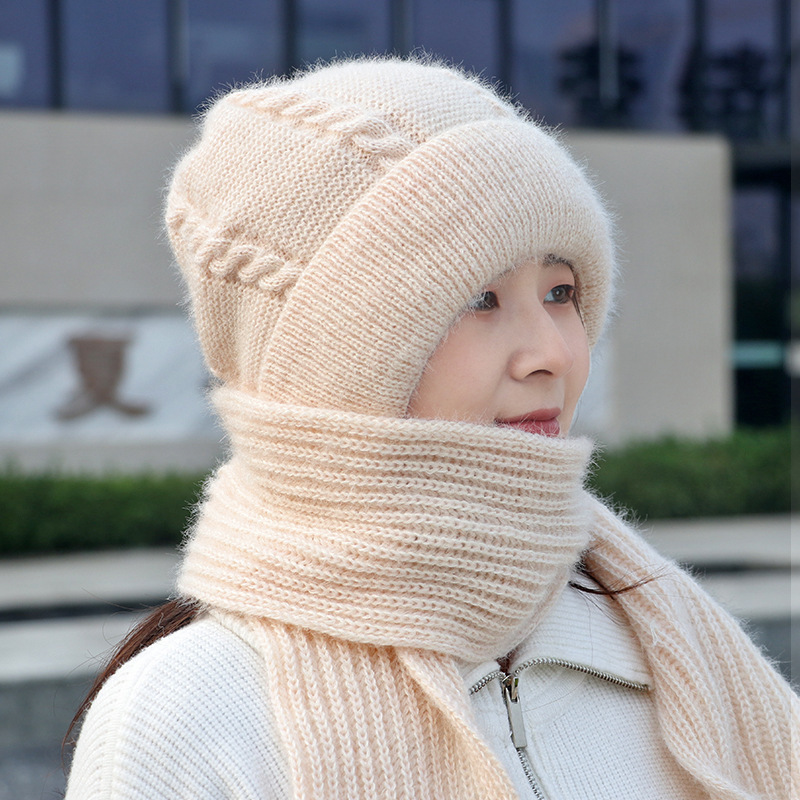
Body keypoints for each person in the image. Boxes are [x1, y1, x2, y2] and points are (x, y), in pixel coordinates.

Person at [65, 57, 797, 800]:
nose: (552, 352)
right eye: (480, 299)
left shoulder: (663, 643)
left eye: (560, 292)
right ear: (334, 361)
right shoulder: (188, 718)